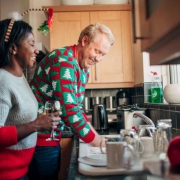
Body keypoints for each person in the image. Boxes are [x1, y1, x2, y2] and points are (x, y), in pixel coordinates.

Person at [29, 23, 114, 180]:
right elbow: (69, 112)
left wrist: (98, 139)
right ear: (84, 40)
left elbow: (77, 109)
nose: (99, 58)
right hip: (39, 139)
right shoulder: (63, 61)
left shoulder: (83, 69)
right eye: (97, 51)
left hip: (51, 138)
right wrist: (100, 144)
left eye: (103, 54)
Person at [0, 18, 60, 180]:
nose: (36, 50)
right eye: (31, 44)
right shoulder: (2, 81)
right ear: (13, 48)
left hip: (21, 171)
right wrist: (36, 124)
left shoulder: (20, 78)